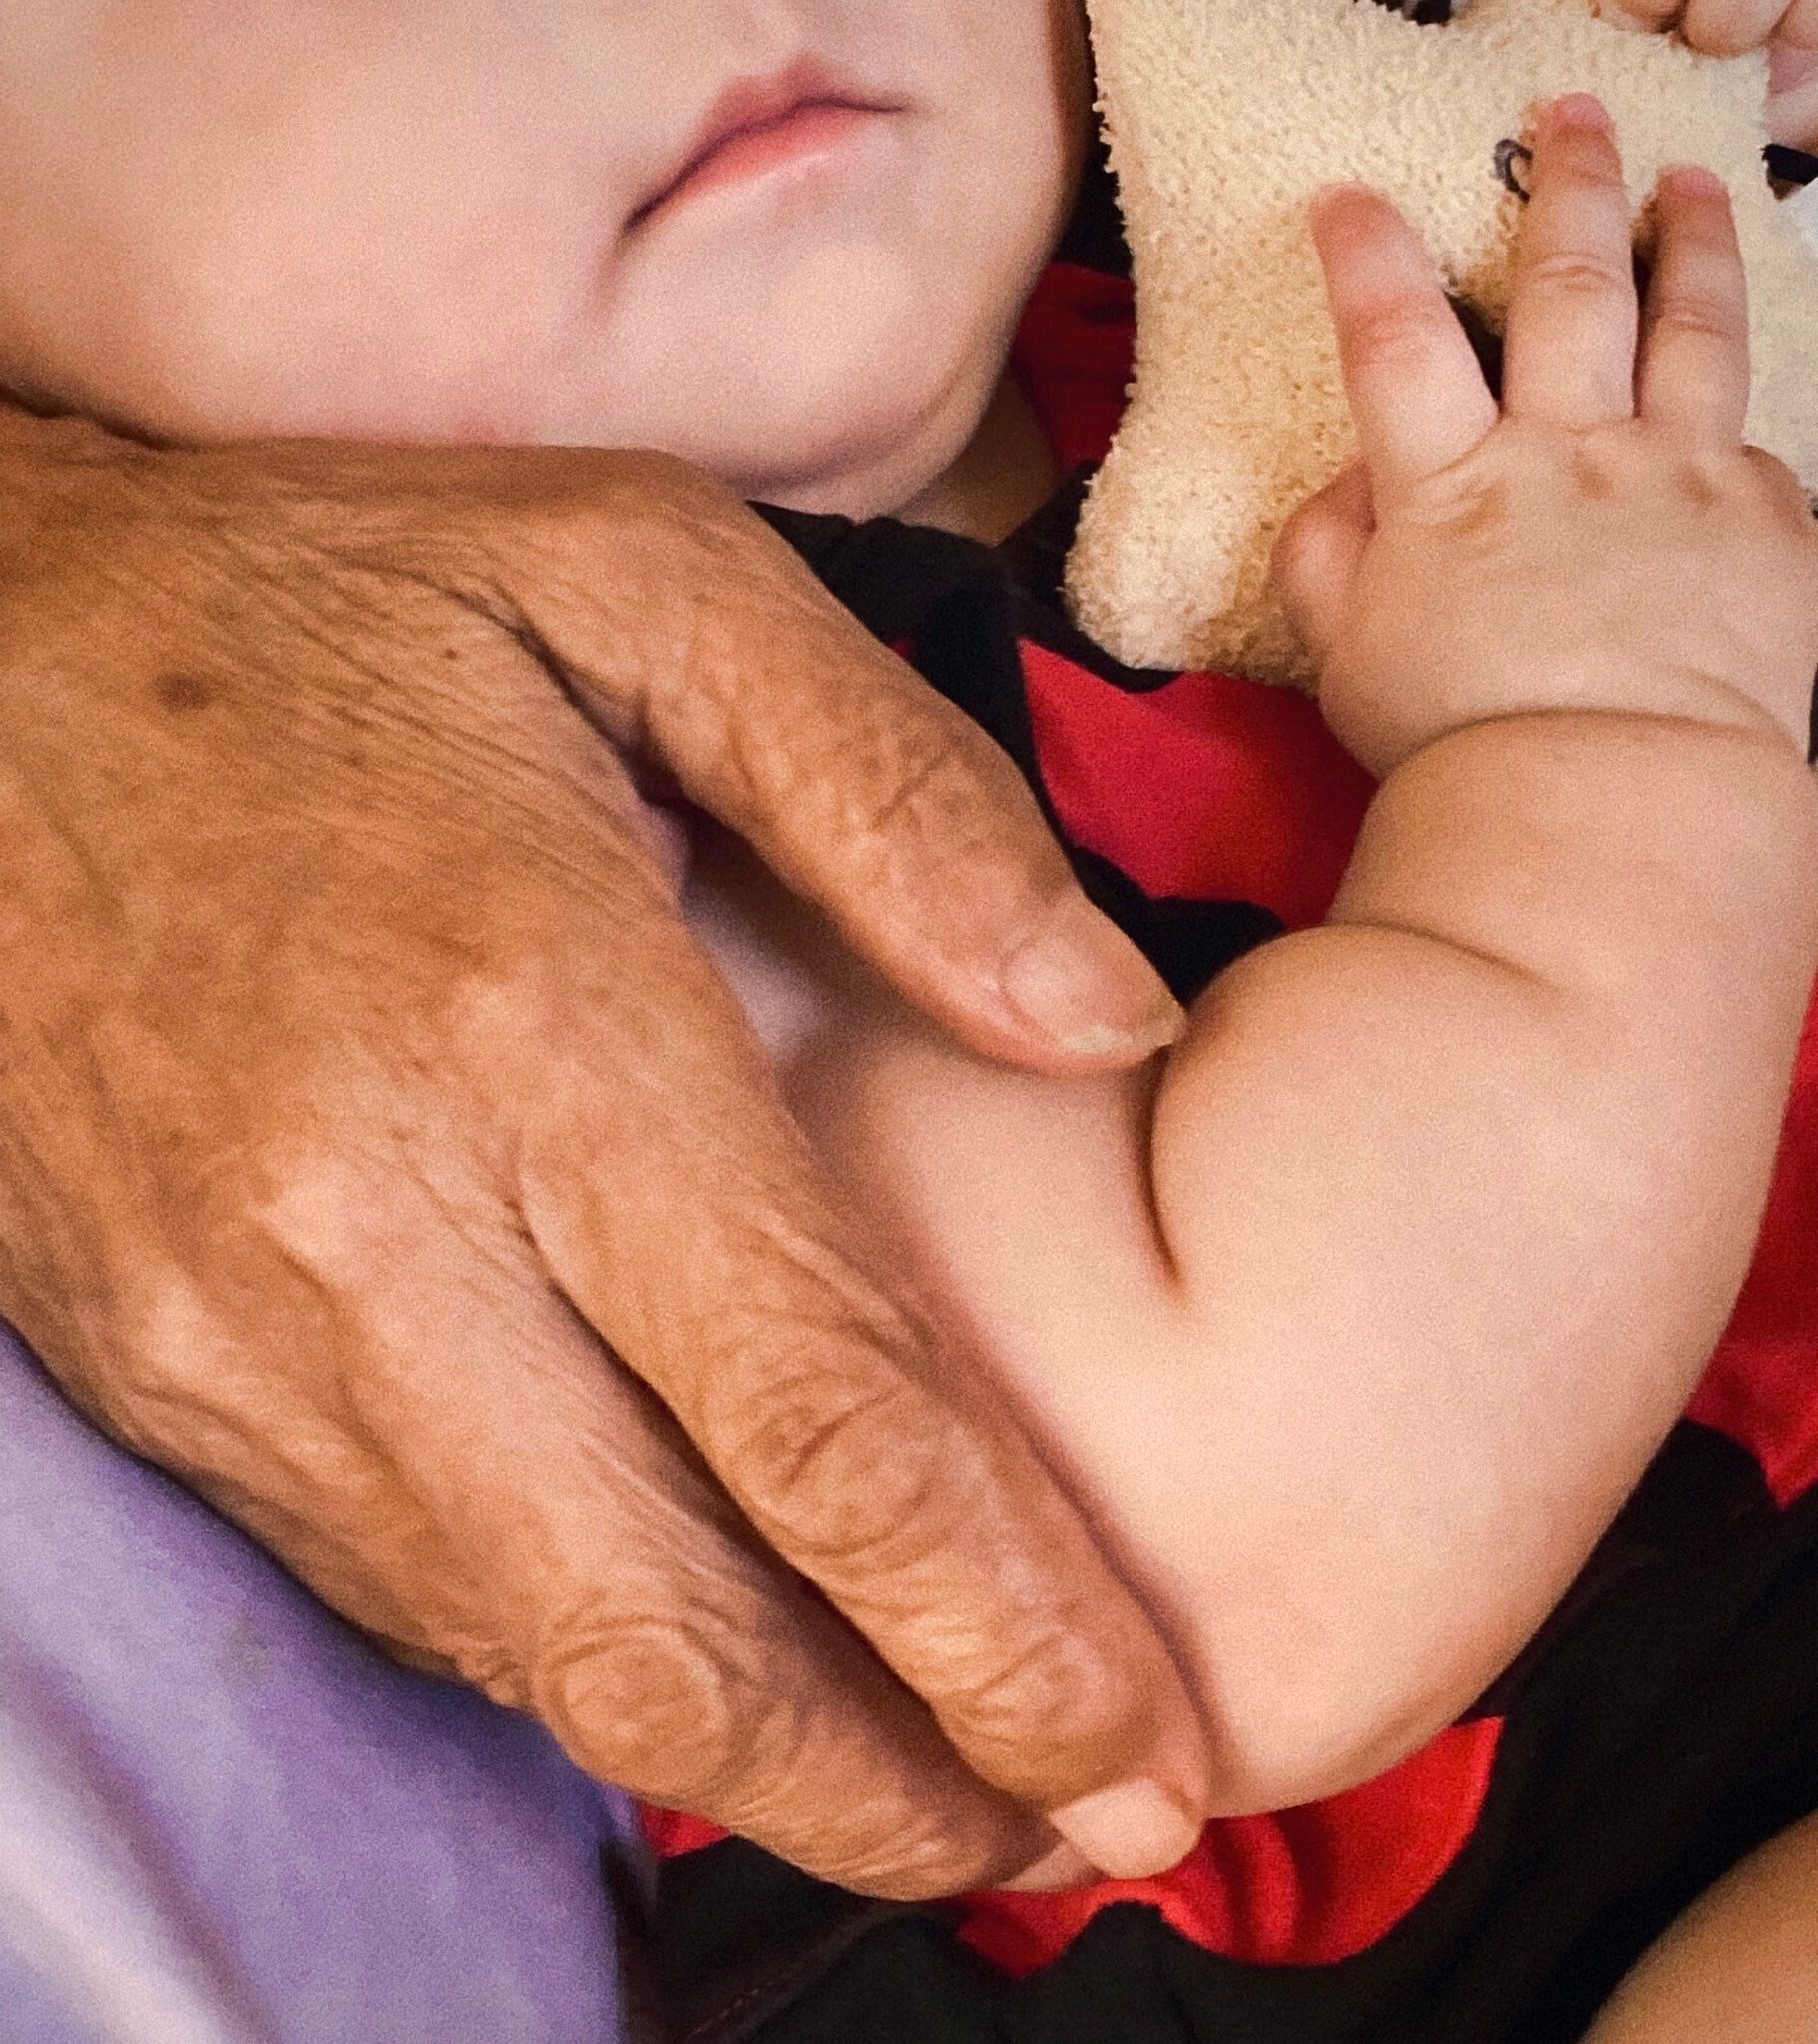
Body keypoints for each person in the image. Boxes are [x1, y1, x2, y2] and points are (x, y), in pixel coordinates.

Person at [0, 0, 1814, 2038]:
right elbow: (1246, 1550)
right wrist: (1606, 736)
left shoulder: (1221, 271)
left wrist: (1687, 129)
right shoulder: (474, 813)